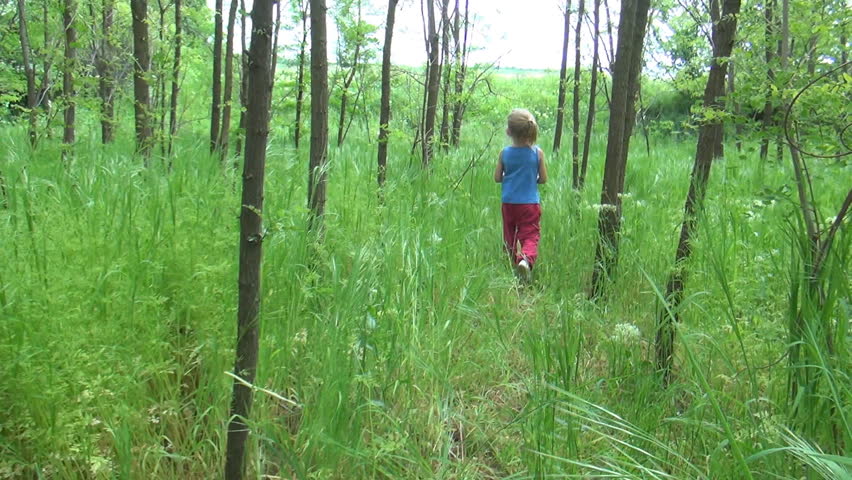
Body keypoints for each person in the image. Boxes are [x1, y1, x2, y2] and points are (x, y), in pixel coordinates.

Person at [494, 108, 548, 281]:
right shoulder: (537, 153)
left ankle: (512, 264)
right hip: (530, 203)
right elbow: (543, 179)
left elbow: (497, 178)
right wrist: (532, 179)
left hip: (509, 202)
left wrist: (509, 177)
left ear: (509, 131)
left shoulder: (504, 153)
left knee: (510, 234)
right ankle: (525, 260)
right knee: (530, 234)